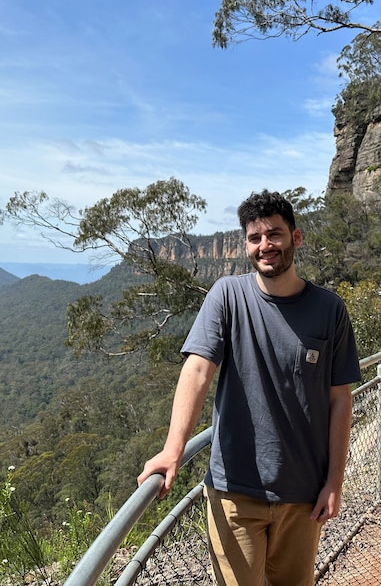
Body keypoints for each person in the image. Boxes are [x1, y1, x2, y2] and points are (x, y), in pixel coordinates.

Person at [137, 190, 361, 586]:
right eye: (255, 238)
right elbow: (198, 369)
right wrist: (173, 450)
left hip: (304, 494)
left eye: (274, 234)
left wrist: (334, 483)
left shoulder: (329, 310)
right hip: (234, 493)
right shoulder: (227, 295)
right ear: (245, 244)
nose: (265, 246)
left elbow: (339, 399)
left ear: (296, 237)